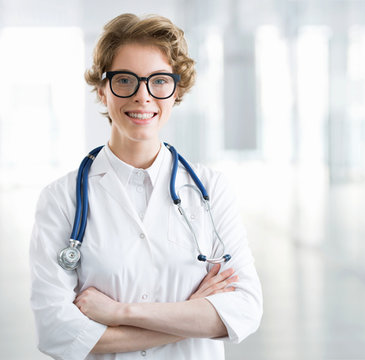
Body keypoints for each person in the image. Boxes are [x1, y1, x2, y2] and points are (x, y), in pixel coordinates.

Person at [29, 13, 263, 359]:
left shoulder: (211, 191)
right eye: (125, 80)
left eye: (159, 81)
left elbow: (244, 310)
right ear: (102, 88)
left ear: (176, 90)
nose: (143, 96)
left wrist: (118, 313)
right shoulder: (61, 200)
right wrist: (191, 311)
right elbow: (56, 332)